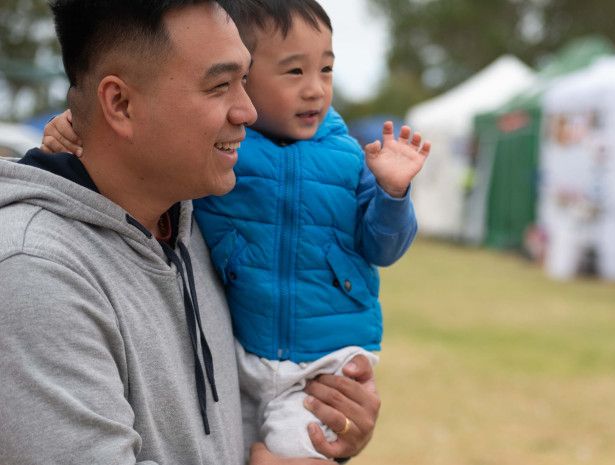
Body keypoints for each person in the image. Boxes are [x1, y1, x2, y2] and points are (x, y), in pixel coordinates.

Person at [42, 0, 429, 459]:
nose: (315, 90)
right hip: (253, 355)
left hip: (323, 358)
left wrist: (392, 195)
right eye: (223, 83)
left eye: (326, 70)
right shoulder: (43, 273)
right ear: (119, 103)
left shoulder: (343, 159)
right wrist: (75, 133)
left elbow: (382, 244)